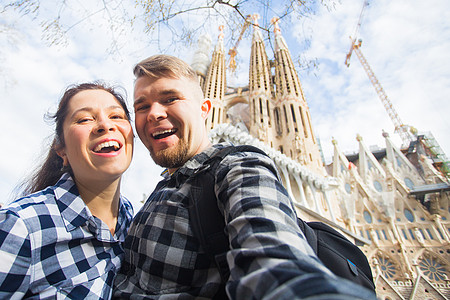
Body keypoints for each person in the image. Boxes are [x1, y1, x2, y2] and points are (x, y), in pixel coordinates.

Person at [113, 55, 377, 299]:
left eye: (170, 99)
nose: (154, 113)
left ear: (206, 109)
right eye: (142, 106)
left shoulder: (236, 167)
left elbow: (272, 254)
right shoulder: (154, 197)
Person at [0, 82, 134, 299]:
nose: (105, 125)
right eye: (84, 119)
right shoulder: (21, 226)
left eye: (117, 116)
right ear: (61, 150)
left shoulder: (133, 222)